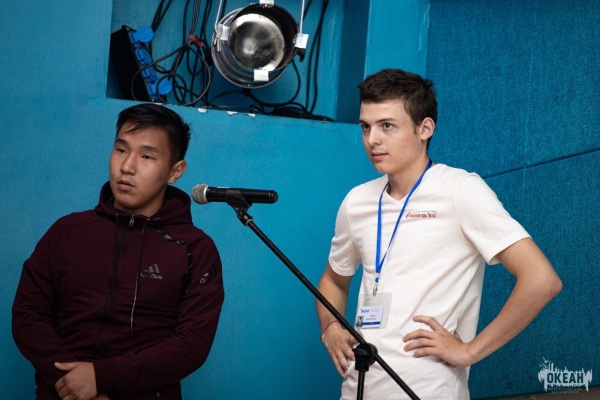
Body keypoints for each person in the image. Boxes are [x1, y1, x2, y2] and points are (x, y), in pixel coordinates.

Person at [315, 69, 562, 399]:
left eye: (387, 126)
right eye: (366, 126)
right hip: (357, 388)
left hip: (430, 390)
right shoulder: (356, 202)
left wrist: (469, 351)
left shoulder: (461, 190)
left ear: (425, 128)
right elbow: (333, 280)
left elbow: (541, 279)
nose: (372, 139)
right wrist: (330, 328)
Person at [12, 103, 225, 400]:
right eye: (121, 150)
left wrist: (102, 378)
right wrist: (72, 383)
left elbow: (191, 344)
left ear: (175, 171)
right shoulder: (67, 231)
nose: (127, 167)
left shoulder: (194, 249)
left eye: (147, 156)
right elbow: (28, 315)